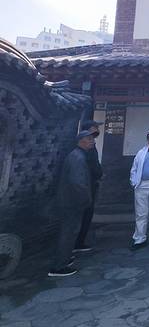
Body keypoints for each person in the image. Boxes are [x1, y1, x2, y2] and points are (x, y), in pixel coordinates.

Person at [49, 130, 95, 277]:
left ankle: (65, 258)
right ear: (81, 141)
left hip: (69, 200)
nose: (92, 141)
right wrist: (86, 198)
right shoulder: (77, 158)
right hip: (72, 202)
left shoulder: (77, 155)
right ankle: (59, 266)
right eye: (89, 139)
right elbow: (78, 183)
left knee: (69, 231)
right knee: (68, 232)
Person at [73, 118, 104, 253]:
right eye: (95, 127)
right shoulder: (83, 151)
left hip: (90, 182)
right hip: (86, 184)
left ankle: (79, 241)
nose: (97, 130)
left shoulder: (89, 146)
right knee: (84, 213)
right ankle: (77, 243)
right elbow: (91, 165)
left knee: (87, 213)